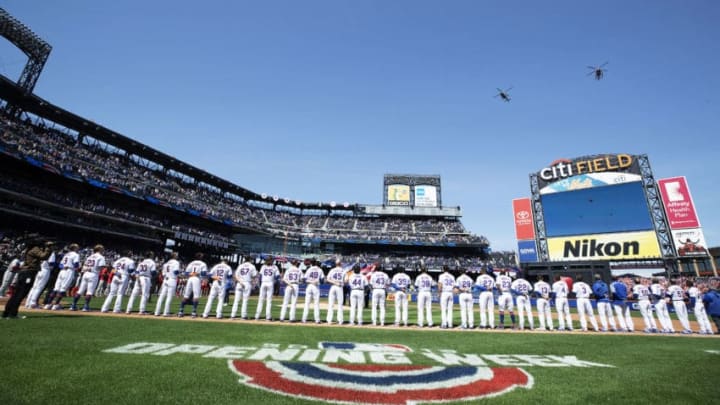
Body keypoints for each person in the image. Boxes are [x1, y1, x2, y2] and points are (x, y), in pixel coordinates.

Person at [2, 239, 53, 319]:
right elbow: (44, 256)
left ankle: (6, 313)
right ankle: (12, 313)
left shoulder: (29, 249)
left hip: (24, 272)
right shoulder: (35, 249)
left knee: (16, 294)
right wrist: (48, 248)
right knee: (21, 294)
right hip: (29, 272)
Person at [45, 243, 81, 310]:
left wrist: (63, 267)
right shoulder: (76, 255)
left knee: (56, 288)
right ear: (75, 248)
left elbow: (60, 265)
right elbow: (76, 264)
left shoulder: (66, 254)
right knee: (63, 289)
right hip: (69, 271)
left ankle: (48, 304)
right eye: (77, 247)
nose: (78, 249)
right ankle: (56, 305)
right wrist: (76, 268)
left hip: (62, 271)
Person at [71, 244, 106, 312]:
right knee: (89, 291)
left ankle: (73, 305)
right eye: (102, 249)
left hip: (86, 273)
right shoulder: (101, 257)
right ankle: (85, 306)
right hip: (93, 274)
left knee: (80, 290)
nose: (103, 250)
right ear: (99, 250)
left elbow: (84, 265)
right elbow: (101, 267)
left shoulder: (89, 256)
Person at [178, 252, 207, 318]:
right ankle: (193, 312)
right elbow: (203, 273)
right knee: (196, 296)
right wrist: (198, 274)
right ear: (200, 257)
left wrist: (192, 274)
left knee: (186, 295)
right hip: (197, 279)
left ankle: (180, 311)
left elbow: (186, 273)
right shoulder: (203, 264)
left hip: (190, 279)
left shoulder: (191, 263)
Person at [126, 250, 155, 315]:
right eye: (152, 255)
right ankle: (142, 310)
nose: (153, 255)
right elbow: (153, 272)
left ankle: (128, 310)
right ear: (150, 255)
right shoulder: (152, 262)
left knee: (134, 294)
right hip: (146, 278)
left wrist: (137, 277)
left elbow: (136, 272)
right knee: (145, 294)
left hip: (139, 277)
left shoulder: (141, 262)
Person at [154, 252, 180, 317]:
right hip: (172, 279)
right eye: (176, 255)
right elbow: (176, 271)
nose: (177, 256)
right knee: (169, 297)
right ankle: (166, 313)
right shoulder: (176, 262)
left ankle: (157, 312)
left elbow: (163, 274)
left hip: (165, 280)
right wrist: (179, 274)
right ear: (174, 256)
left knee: (161, 296)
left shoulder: (166, 263)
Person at [255, 256, 280, 321]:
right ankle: (268, 317)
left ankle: (257, 316)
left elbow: (260, 276)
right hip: (270, 283)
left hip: (263, 283)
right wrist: (274, 282)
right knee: (269, 301)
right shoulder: (275, 267)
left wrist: (260, 284)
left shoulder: (263, 266)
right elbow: (277, 277)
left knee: (261, 300)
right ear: (272, 261)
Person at [301, 259, 324, 324]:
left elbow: (304, 280)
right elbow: (322, 281)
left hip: (309, 286)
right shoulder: (320, 270)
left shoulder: (309, 269)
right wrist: (317, 281)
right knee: (316, 304)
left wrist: (310, 281)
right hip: (315, 287)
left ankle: (304, 319)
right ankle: (317, 320)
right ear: (316, 263)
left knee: (307, 303)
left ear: (311, 263)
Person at [325, 260, 346, 325]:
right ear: (340, 264)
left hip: (333, 286)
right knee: (340, 304)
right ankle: (340, 320)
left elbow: (327, 279)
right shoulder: (343, 270)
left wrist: (334, 282)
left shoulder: (332, 270)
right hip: (339, 287)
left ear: (336, 264)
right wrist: (341, 283)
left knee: (331, 304)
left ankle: (329, 320)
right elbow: (346, 280)